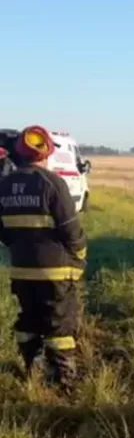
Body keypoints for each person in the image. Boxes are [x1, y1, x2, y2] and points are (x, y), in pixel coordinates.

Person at [0, 125, 87, 394]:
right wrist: (79, 256)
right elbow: (71, 229)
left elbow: (2, 230)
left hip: (22, 270)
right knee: (60, 325)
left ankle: (32, 368)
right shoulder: (52, 182)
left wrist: (18, 245)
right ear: (46, 152)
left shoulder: (3, 186)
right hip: (56, 271)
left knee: (29, 319)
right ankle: (64, 381)